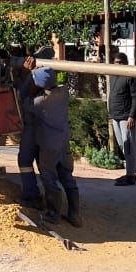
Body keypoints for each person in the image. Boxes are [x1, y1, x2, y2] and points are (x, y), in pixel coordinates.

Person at [26, 55, 81, 227]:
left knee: (49, 179)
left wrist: (27, 75)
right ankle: (74, 214)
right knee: (67, 178)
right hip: (63, 144)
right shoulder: (63, 92)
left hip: (48, 147)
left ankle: (53, 214)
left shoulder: (39, 102)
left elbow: (23, 102)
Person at [12, 46, 54, 207]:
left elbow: (22, 93)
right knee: (43, 163)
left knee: (26, 160)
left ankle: (33, 196)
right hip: (42, 125)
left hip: (35, 124)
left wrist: (27, 73)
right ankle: (51, 201)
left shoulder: (42, 75)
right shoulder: (47, 74)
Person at [108, 51, 136, 186]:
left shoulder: (130, 76)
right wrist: (110, 115)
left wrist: (132, 116)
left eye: (120, 62)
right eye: (116, 62)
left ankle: (130, 175)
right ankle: (132, 171)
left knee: (128, 145)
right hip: (115, 115)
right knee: (122, 145)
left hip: (126, 117)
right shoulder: (112, 76)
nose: (118, 64)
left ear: (125, 63)